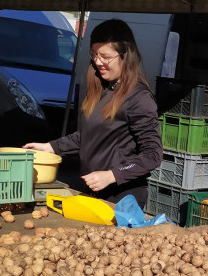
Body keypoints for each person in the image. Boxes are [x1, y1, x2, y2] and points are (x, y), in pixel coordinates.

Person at [24, 19, 162, 209]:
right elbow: (89, 136)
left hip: (122, 198)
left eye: (105, 56)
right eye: (94, 54)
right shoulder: (105, 89)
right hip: (94, 193)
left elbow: (153, 154)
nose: (98, 62)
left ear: (125, 56)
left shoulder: (139, 98)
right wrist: (51, 147)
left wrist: (112, 175)